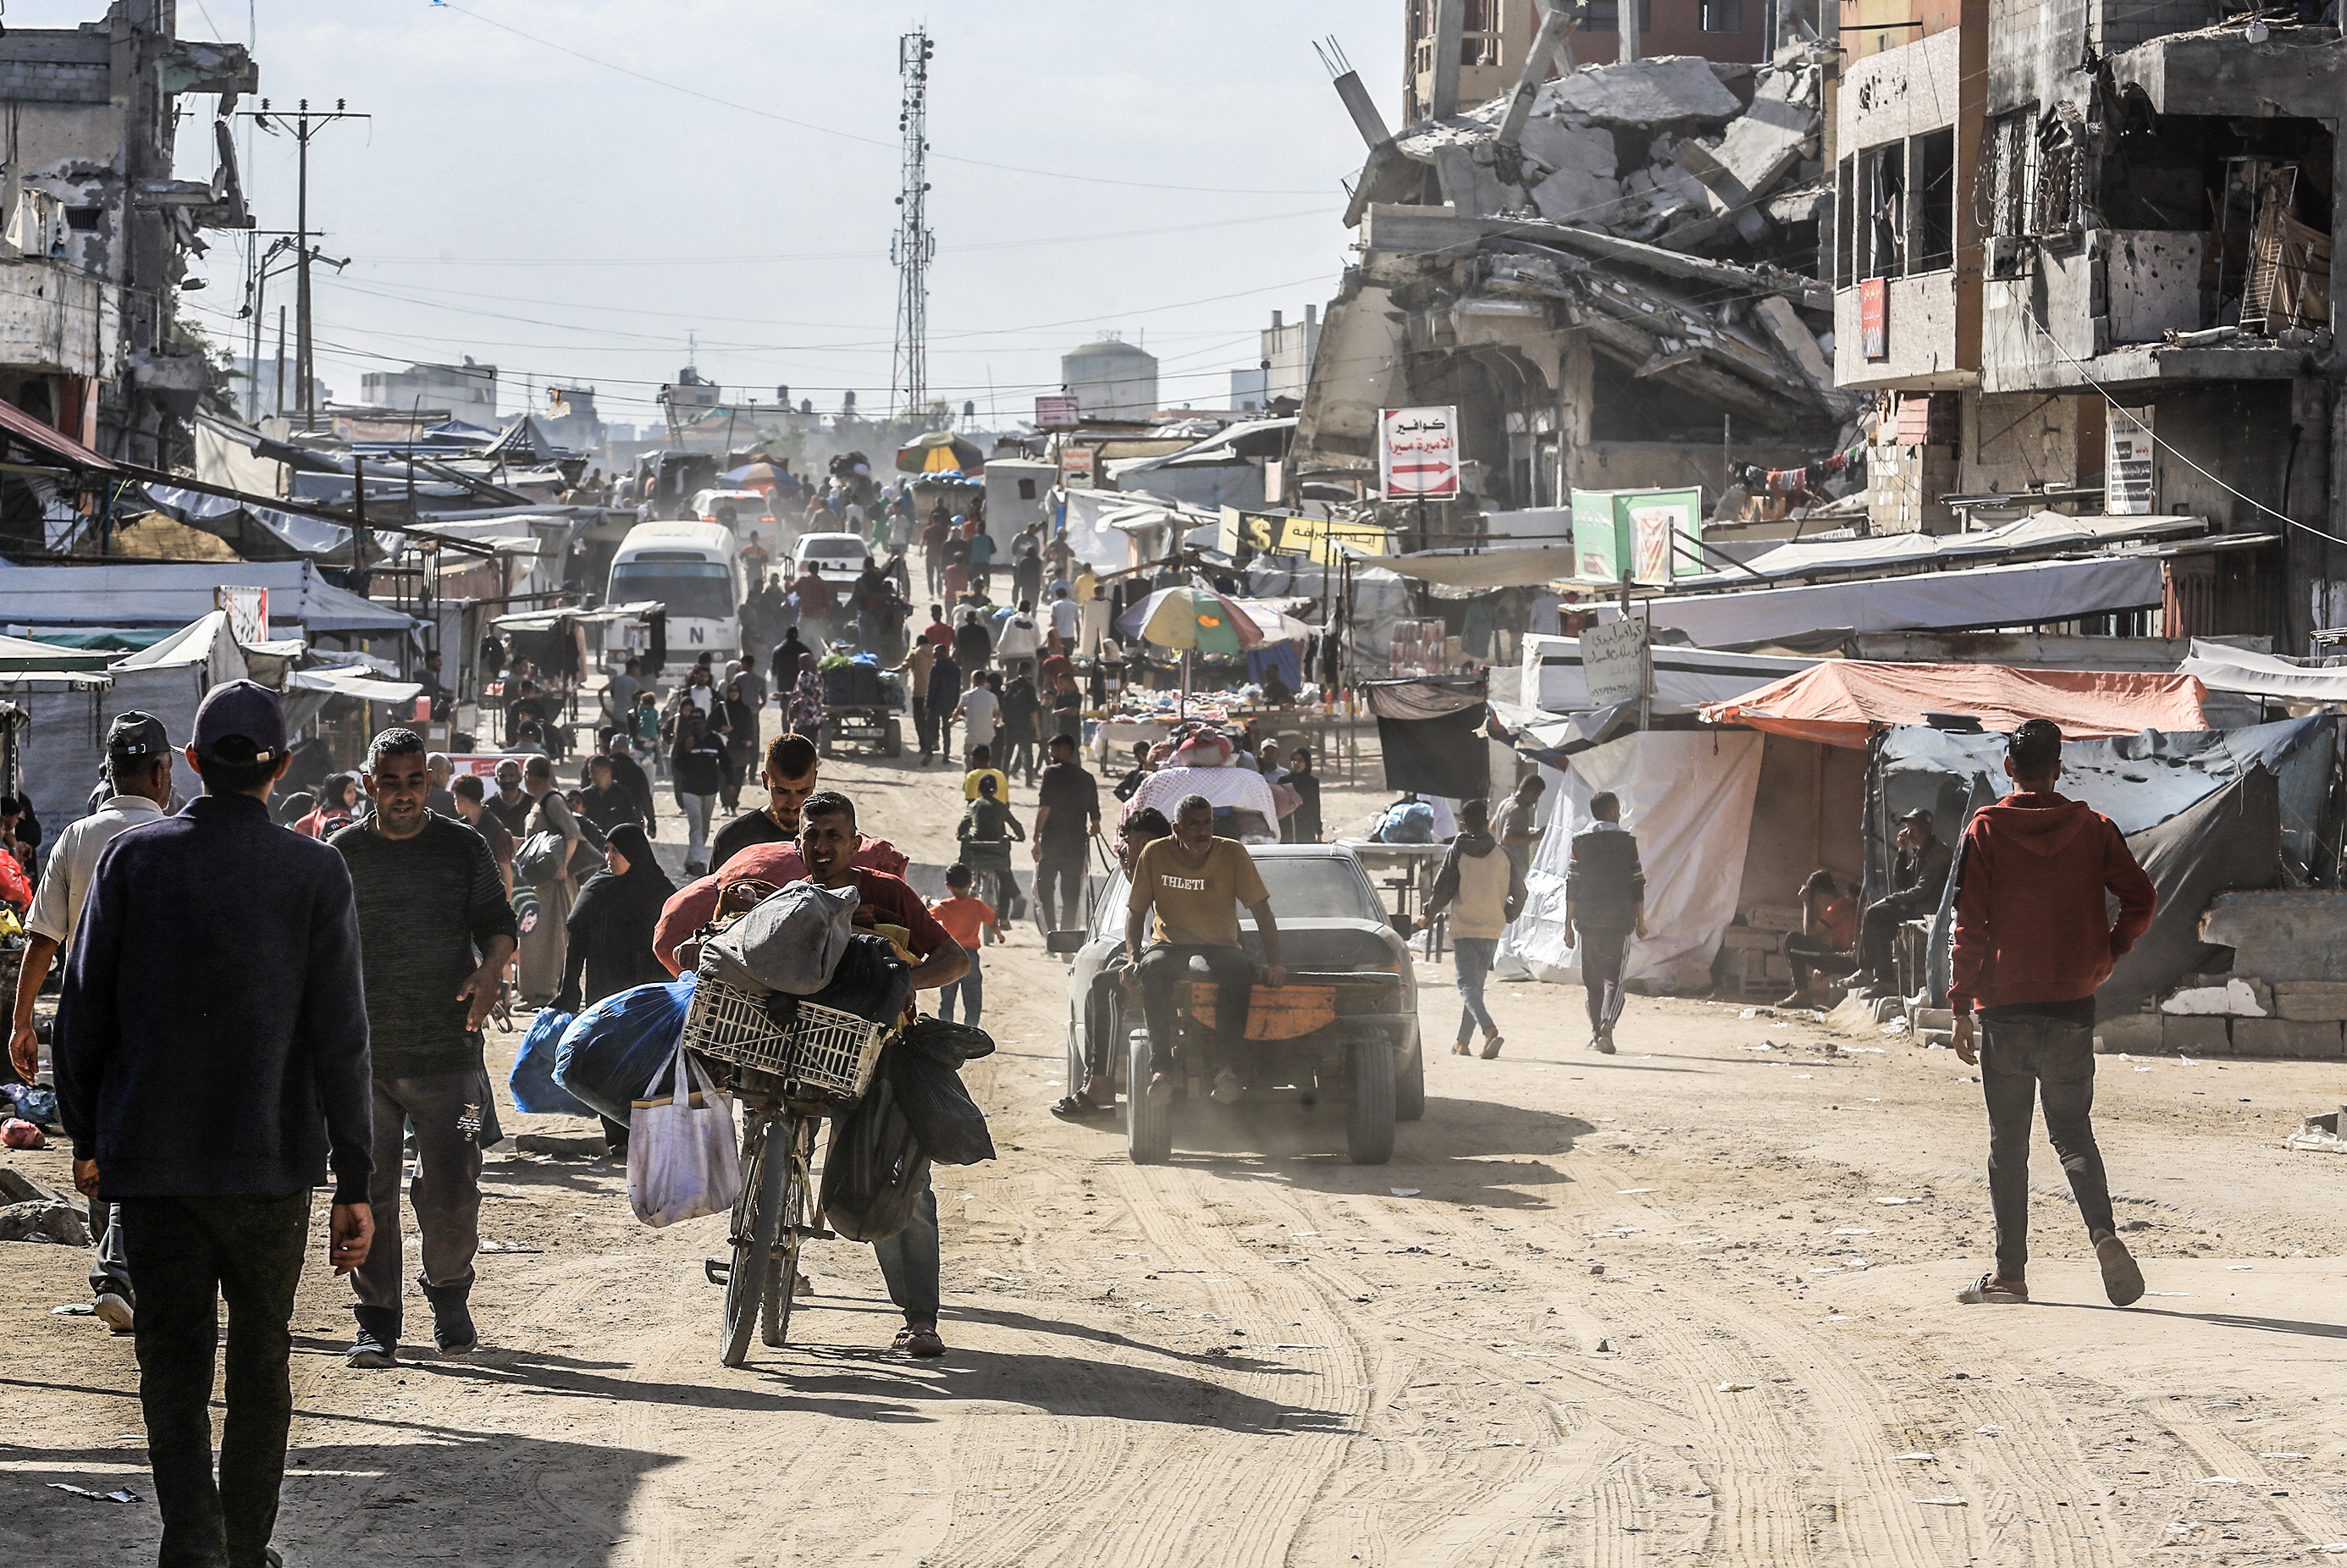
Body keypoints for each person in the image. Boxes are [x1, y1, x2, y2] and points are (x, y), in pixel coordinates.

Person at [53, 680, 374, 1568]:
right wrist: (355, 1182)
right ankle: (243, 1549)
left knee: (172, 1365)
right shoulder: (315, 872)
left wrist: (87, 1139)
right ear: (283, 766)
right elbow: (342, 1038)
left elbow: (81, 1014)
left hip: (154, 1166)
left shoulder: (132, 860)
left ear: (191, 763)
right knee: (261, 1363)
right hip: (269, 1169)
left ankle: (193, 1545)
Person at [1949, 718, 2156, 1309]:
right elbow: (2142, 898)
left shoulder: (1986, 829)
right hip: (2071, 1006)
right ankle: (2104, 1234)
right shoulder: (2094, 829)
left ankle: (2010, 1275)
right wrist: (2108, 952)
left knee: (2008, 1144)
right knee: (2072, 1132)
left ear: (2008, 767)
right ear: (2058, 769)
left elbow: (1969, 924)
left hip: (2006, 1008)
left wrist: (1961, 1005)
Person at [332, 730, 517, 1367]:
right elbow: (317, 944)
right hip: (366, 1061)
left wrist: (490, 972)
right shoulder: (342, 854)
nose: (404, 794)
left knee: (453, 1187)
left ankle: (449, 1294)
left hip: (450, 1053)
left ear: (429, 782)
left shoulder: (463, 847)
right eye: (390, 782)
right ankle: (376, 1319)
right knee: (369, 1189)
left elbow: (498, 924)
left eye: (415, 781)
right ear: (369, 783)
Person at [11, 711, 174, 1333]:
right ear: (160, 771)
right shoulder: (174, 835)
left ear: (109, 771)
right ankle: (123, 1275)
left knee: (98, 1147)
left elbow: (43, 939)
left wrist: (22, 1022)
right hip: (159, 1023)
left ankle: (120, 1276)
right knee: (150, 1146)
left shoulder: (77, 838)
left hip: (88, 1020)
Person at [795, 792, 968, 1355]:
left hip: (880, 1054)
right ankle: (766, 1250)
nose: (823, 845)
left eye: (834, 835)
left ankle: (920, 1319)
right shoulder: (787, 897)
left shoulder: (888, 893)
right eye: (813, 834)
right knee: (773, 1146)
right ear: (798, 841)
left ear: (854, 842)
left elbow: (955, 958)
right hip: (800, 1051)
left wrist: (899, 983)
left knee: (903, 1184)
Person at [1127, 794, 1289, 1107]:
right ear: (1177, 828)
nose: (1202, 830)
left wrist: (1276, 963)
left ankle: (1225, 1069)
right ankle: (1161, 1070)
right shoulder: (1155, 853)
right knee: (1153, 968)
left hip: (1220, 945)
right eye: (1193, 825)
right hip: (1170, 944)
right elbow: (1135, 912)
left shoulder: (1232, 852)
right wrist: (1134, 958)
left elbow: (1262, 910)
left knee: (1239, 969)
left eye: (1207, 823)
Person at [555, 821, 676, 1153]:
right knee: (606, 1060)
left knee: (644, 1063)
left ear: (634, 853)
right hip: (605, 991)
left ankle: (642, 1133)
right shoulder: (598, 887)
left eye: (616, 851)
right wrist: (568, 990)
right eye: (607, 850)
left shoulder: (658, 890)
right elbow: (577, 940)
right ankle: (617, 1136)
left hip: (647, 996)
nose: (609, 857)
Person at [1418, 798, 1526, 1060]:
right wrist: (1507, 915)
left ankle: (1488, 1029)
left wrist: (1428, 915)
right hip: (1492, 928)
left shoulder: (1458, 850)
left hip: (1466, 928)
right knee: (1475, 987)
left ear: (1463, 825)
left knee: (1466, 985)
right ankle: (1462, 1042)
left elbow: (1443, 889)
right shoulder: (1503, 853)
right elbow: (1521, 893)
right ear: (1488, 822)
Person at [1566, 790, 1645, 1055]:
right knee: (1614, 979)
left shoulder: (1580, 841)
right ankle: (1607, 1024)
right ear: (1612, 812)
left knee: (1593, 982)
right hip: (1619, 922)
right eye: (1618, 811)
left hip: (1587, 922)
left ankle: (1596, 1034)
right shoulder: (1627, 842)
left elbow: (1573, 884)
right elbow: (1637, 883)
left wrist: (1567, 925)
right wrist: (1641, 921)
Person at [1858, 808, 1955, 992]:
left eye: (1914, 829)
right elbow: (1902, 882)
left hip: (1930, 909)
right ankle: (1884, 980)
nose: (1909, 833)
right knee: (1880, 924)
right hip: (1919, 906)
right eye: (1908, 829)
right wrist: (1902, 852)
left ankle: (1868, 971)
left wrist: (1890, 899)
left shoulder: (1938, 853)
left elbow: (1921, 891)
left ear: (1926, 828)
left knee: (1875, 912)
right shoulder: (1922, 852)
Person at [514, 755, 583, 1007]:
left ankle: (546, 993)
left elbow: (572, 834)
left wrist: (563, 867)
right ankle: (531, 992)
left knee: (549, 938)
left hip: (553, 884)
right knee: (532, 936)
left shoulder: (553, 800)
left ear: (530, 776)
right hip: (537, 881)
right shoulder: (540, 801)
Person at [713, 732, 820, 871]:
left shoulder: (832, 840)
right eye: (782, 791)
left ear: (814, 780)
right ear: (765, 780)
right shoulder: (733, 839)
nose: (793, 804)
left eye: (803, 791)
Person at [1032, 732, 1099, 938]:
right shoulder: (1088, 778)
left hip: (1052, 843)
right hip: (1077, 845)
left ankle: (1051, 936)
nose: (1051, 755)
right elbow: (1096, 823)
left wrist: (1036, 839)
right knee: (1071, 895)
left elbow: (1045, 808)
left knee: (1044, 889)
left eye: (1053, 750)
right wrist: (1092, 828)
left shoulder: (1051, 773)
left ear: (1064, 750)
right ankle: (1066, 942)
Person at [1781, 870, 1859, 1007]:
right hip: (1847, 956)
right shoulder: (1844, 903)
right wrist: (1824, 968)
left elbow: (1809, 933)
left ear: (1819, 895)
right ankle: (1801, 994)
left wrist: (1807, 903)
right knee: (1796, 942)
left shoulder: (1838, 907)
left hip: (1849, 960)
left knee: (1792, 940)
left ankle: (1801, 994)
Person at [928, 864, 996, 1023]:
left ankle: (946, 1031)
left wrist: (926, 904)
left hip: (949, 956)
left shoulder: (943, 906)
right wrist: (999, 935)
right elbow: (992, 920)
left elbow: (927, 918)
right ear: (971, 884)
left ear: (948, 886)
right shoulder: (978, 905)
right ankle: (971, 1030)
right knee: (973, 1001)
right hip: (970, 957)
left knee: (947, 999)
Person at [957, 773, 1024, 925]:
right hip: (998, 851)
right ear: (995, 790)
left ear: (978, 789)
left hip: (976, 851)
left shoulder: (974, 806)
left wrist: (960, 835)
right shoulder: (1001, 806)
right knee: (1005, 877)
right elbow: (1016, 825)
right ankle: (1004, 919)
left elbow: (962, 827)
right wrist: (1019, 837)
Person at [670, 707, 728, 875]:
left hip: (710, 789)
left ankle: (691, 860)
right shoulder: (686, 740)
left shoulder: (715, 740)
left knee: (704, 828)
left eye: (700, 723)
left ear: (705, 722)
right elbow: (677, 765)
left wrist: (730, 783)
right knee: (696, 825)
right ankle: (698, 862)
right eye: (694, 724)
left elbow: (725, 761)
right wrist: (686, 751)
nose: (697, 727)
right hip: (690, 790)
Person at [449, 774, 516, 896]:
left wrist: (507, 902)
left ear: (463, 799)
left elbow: (505, 868)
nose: (455, 803)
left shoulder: (494, 827)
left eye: (456, 798)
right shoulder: (460, 827)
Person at [599, 727, 658, 831]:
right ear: (627, 750)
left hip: (606, 819)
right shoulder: (636, 770)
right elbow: (645, 798)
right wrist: (651, 824)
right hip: (633, 818)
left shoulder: (603, 769)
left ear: (611, 749)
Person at [895, 634, 938, 766]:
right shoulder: (936, 652)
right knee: (933, 718)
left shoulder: (914, 653)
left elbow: (904, 668)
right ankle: (935, 740)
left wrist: (890, 671)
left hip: (919, 692)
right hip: (935, 692)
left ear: (918, 643)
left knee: (919, 719)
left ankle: (924, 746)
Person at [1489, 773, 1543, 880]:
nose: (1536, 801)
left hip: (1501, 863)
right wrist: (1534, 837)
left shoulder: (1506, 803)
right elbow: (1507, 837)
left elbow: (1494, 826)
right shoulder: (1518, 809)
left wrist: (1526, 832)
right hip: (1514, 867)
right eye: (1537, 796)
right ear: (1532, 792)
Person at [577, 753, 643, 836]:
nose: (591, 776)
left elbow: (631, 822)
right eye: (590, 772)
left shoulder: (622, 795)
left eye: (594, 772)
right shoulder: (585, 796)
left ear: (606, 772)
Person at [999, 666, 1042, 785]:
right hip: (1025, 724)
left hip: (1010, 724)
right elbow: (1034, 710)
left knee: (1007, 753)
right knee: (1027, 752)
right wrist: (1038, 729)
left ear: (1017, 671)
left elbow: (1002, 706)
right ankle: (1028, 780)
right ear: (1029, 672)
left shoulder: (1009, 685)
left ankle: (1004, 779)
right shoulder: (1029, 687)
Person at [954, 665, 999, 770]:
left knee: (967, 753)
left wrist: (953, 720)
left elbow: (957, 711)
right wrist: (996, 722)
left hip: (972, 735)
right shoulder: (992, 697)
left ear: (973, 681)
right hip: (987, 735)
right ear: (985, 681)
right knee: (986, 755)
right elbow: (997, 714)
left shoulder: (967, 695)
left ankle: (969, 773)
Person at [925, 647, 962, 767]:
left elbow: (932, 687)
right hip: (949, 703)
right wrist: (955, 704)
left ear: (942, 652)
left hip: (936, 703)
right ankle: (946, 756)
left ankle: (929, 753)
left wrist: (928, 704)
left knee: (931, 728)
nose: (934, 655)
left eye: (935, 652)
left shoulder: (936, 666)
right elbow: (957, 688)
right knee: (947, 730)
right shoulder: (955, 667)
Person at [295, 772, 360, 838]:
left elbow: (299, 825)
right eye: (349, 792)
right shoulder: (342, 815)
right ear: (338, 793)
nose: (354, 795)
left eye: (354, 790)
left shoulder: (320, 812)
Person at [1284, 747, 1324, 844]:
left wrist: (1319, 831)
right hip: (1288, 826)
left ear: (1306, 762)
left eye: (1300, 760)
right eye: (1294, 760)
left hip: (1307, 826)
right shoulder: (1284, 781)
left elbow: (1315, 807)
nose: (1296, 763)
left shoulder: (1312, 782)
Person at [787, 650, 826, 741]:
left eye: (801, 663)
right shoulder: (818, 677)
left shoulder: (804, 675)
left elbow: (799, 694)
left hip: (804, 718)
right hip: (816, 718)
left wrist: (784, 695)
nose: (799, 665)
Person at [770, 625, 812, 693]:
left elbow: (774, 671)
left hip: (782, 683)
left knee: (784, 698)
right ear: (797, 636)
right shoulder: (804, 649)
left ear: (786, 635)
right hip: (798, 683)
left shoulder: (777, 649)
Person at [1113, 739, 1154, 803]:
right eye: (1138, 756)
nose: (1142, 758)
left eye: (1144, 755)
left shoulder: (1157, 772)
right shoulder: (1134, 774)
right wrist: (1129, 801)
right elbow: (1118, 790)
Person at [424, 752, 457, 817]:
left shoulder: (411, 795)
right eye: (448, 773)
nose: (448, 779)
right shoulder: (450, 800)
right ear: (440, 773)